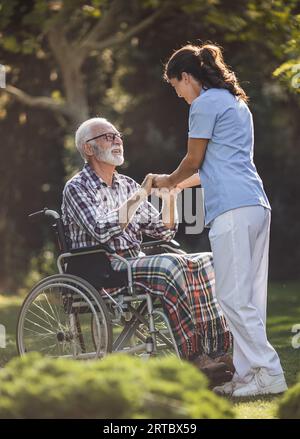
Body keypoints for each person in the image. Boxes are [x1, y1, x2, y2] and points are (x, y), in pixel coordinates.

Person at [152, 43, 287, 397]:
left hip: (231, 208)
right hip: (255, 205)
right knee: (249, 298)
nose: (178, 94)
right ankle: (247, 375)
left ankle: (268, 372)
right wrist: (175, 183)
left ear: (185, 77)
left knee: (231, 296)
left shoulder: (204, 103)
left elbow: (193, 161)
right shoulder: (235, 102)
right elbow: (213, 165)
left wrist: (168, 182)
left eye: (175, 86)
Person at [61, 116, 233, 382]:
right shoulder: (77, 187)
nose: (117, 140)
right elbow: (101, 229)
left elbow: (162, 231)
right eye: (108, 137)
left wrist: (171, 198)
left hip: (133, 263)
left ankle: (220, 352)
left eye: (118, 135)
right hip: (102, 269)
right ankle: (194, 357)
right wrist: (141, 194)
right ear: (88, 148)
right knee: (169, 265)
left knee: (205, 260)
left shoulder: (127, 184)